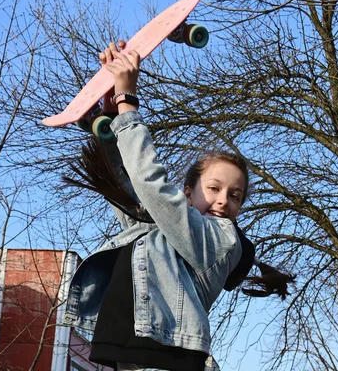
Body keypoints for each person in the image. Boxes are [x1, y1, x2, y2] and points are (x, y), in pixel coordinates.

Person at [62, 40, 295, 371]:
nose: (223, 200)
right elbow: (127, 186)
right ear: (187, 193)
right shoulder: (157, 232)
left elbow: (150, 183)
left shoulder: (219, 241)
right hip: (134, 360)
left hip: (168, 358)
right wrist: (109, 116)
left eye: (235, 196)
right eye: (214, 188)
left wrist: (128, 102)